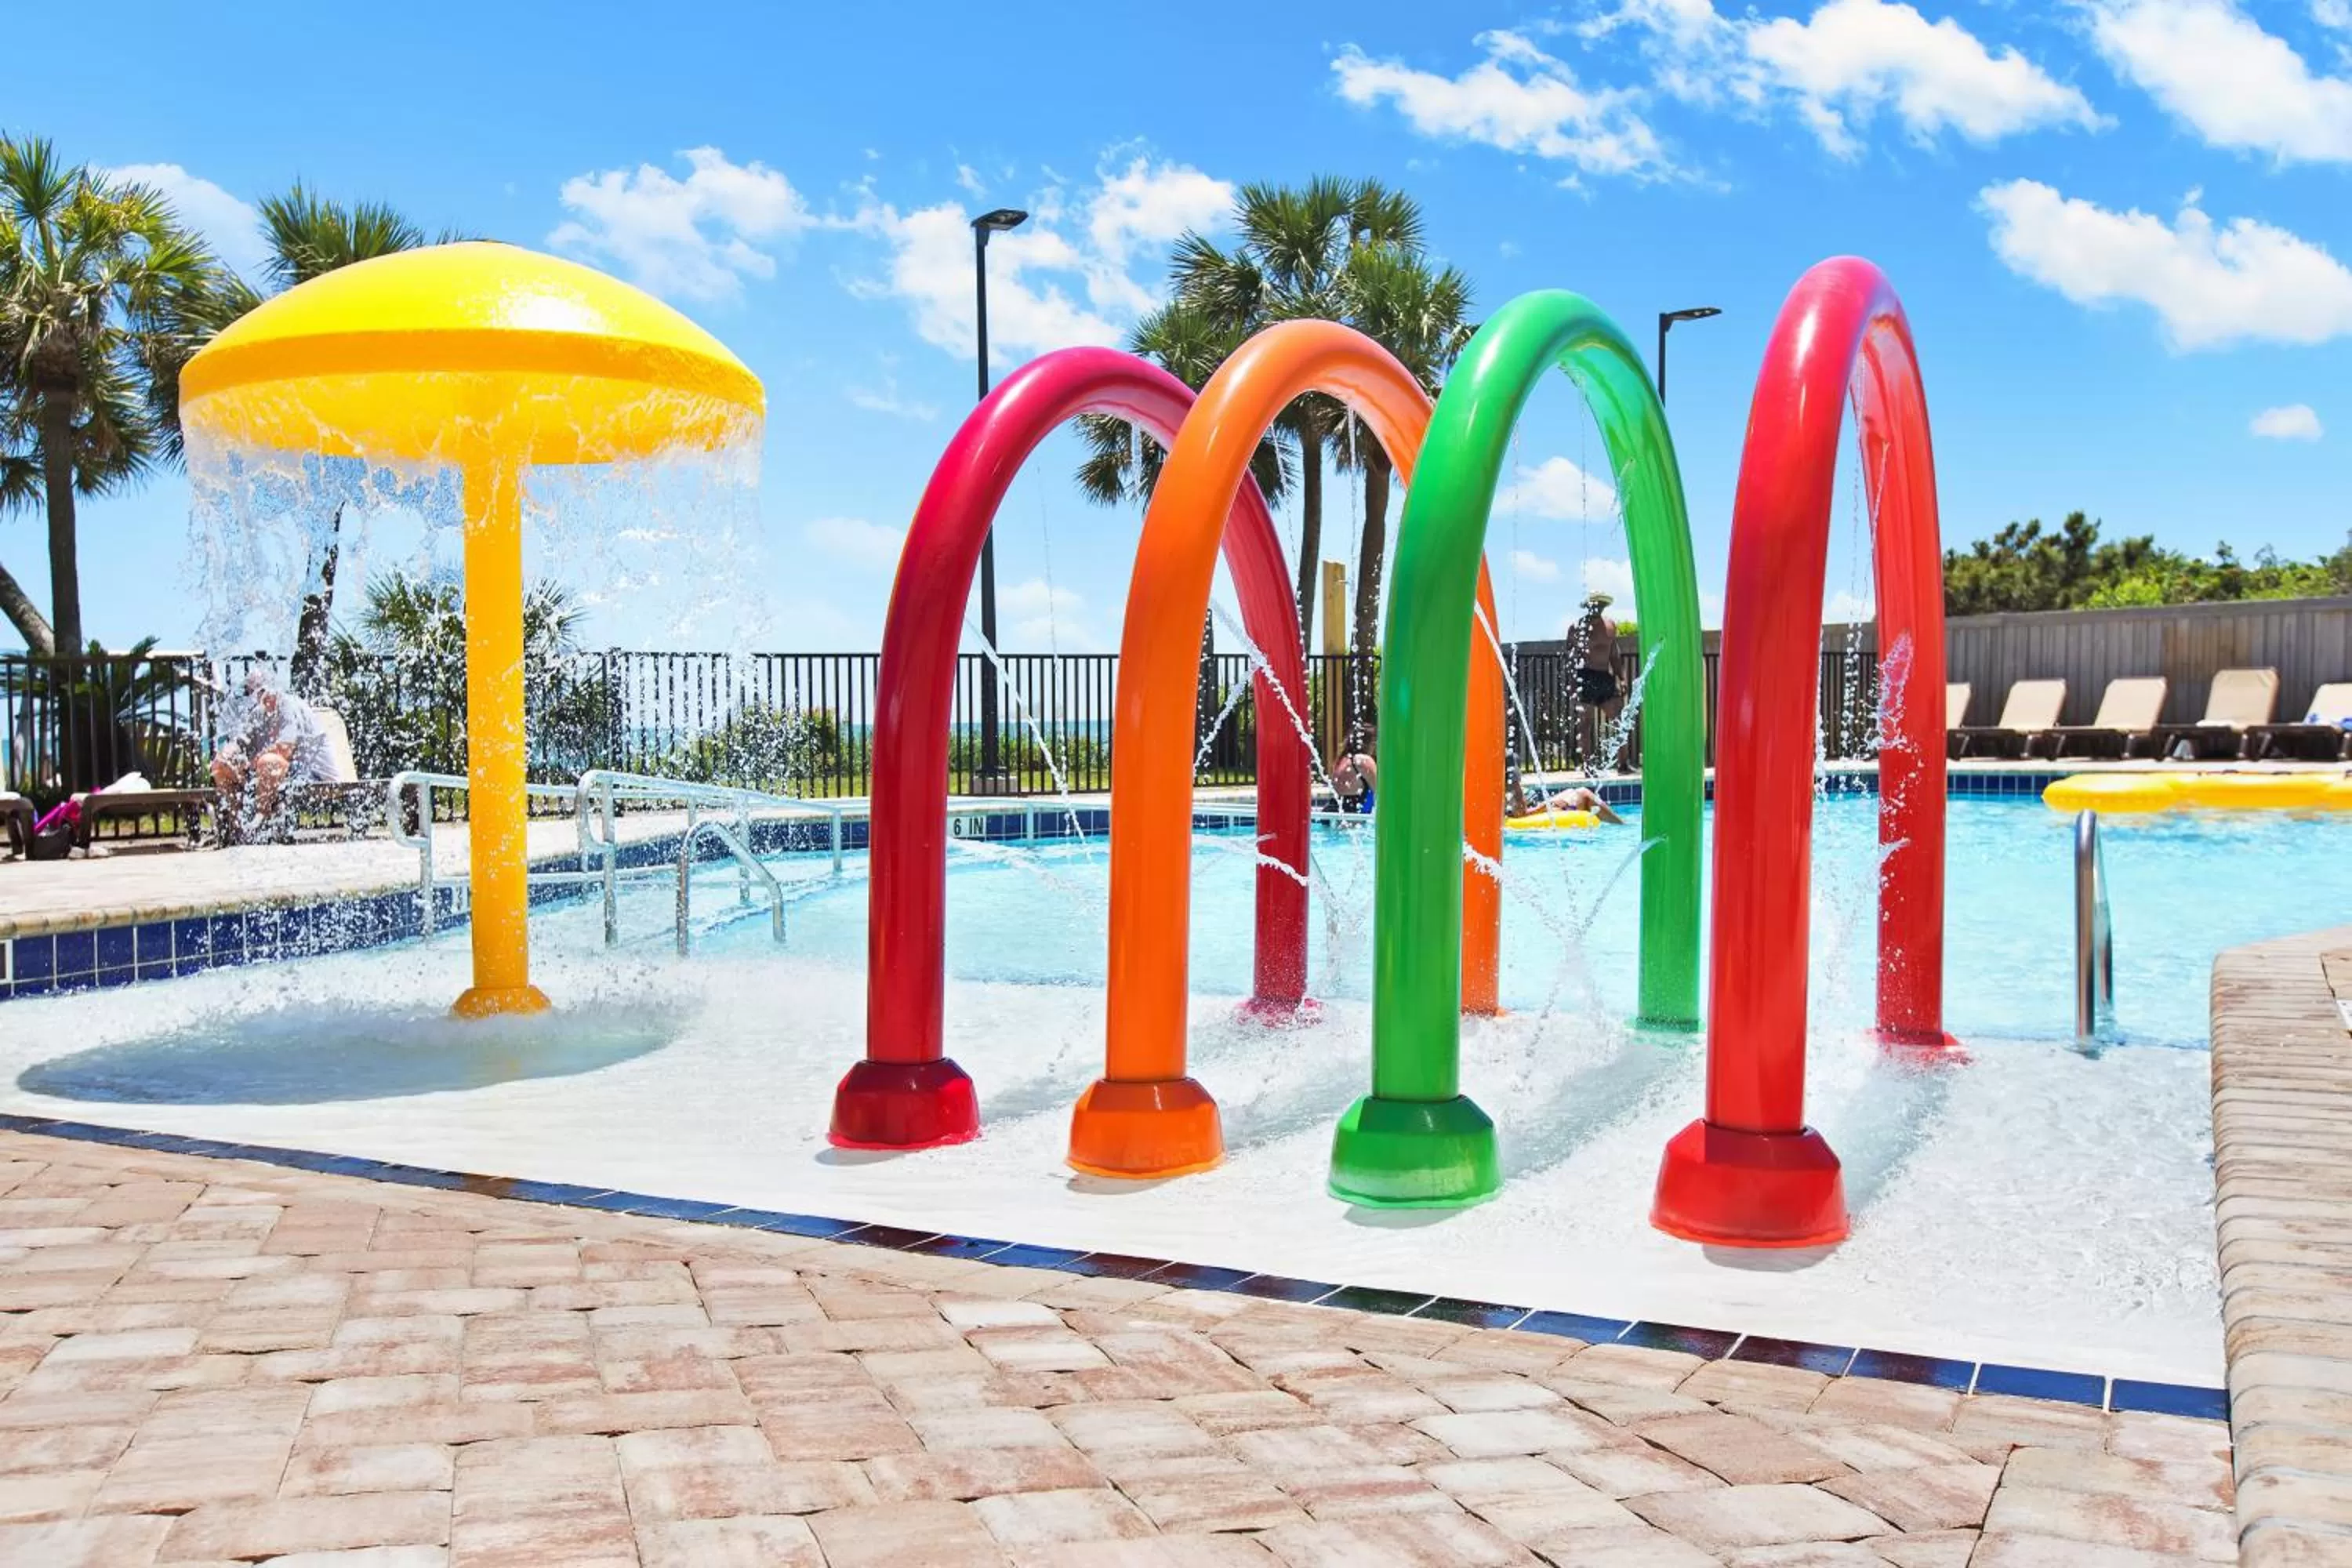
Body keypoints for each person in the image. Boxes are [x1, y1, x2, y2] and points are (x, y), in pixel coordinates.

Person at [211, 667, 335, 840]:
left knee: (268, 762)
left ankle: (259, 821)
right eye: (251, 692)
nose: (256, 696)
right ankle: (236, 825)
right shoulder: (259, 713)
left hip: (312, 773)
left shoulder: (289, 706)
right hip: (281, 775)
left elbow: (286, 748)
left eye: (258, 691)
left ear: (271, 688)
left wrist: (254, 762)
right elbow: (240, 742)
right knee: (220, 767)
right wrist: (227, 754)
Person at [1508, 779, 1625, 825]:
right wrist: (1546, 805)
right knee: (1583, 793)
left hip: (1529, 807)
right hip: (1535, 811)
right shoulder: (1512, 779)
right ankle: (1620, 824)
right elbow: (1522, 814)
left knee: (1572, 792)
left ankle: (1620, 823)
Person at [1333, 731, 1377, 815]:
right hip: (1354, 815)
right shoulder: (1364, 760)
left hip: (1334, 810)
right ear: (1369, 743)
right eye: (1374, 743)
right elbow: (1380, 791)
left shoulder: (1343, 759)